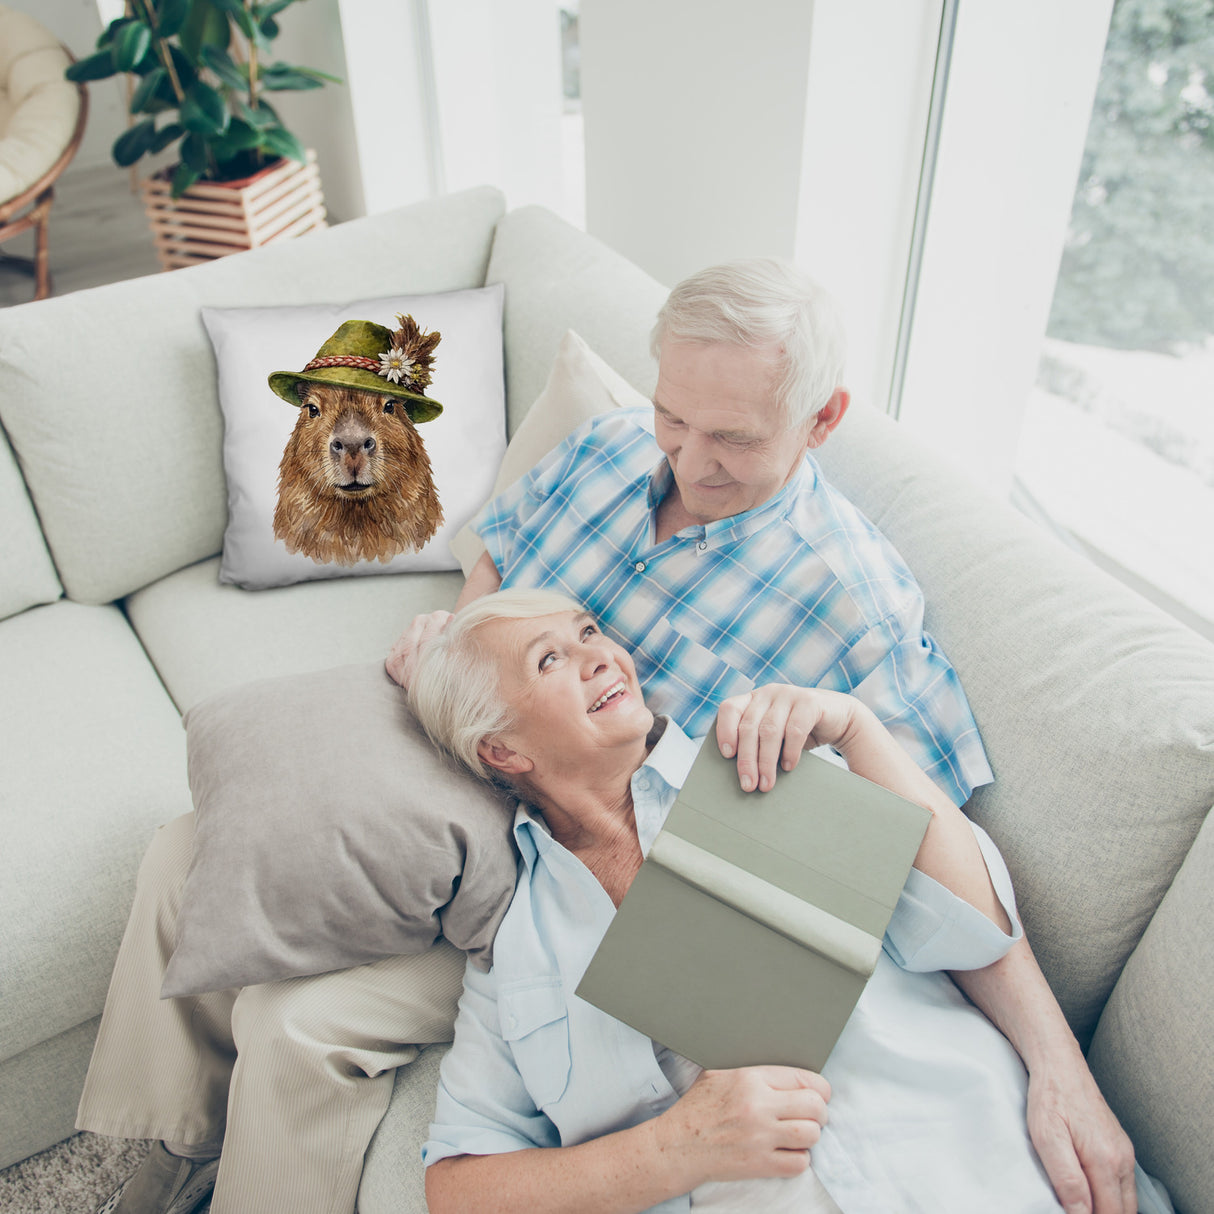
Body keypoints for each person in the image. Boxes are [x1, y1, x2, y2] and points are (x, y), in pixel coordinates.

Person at [388, 259, 1136, 1213]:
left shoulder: (832, 656)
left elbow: (943, 884)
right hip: (492, 836)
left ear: (822, 420)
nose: (689, 462)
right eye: (674, 418)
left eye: (732, 438)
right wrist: (462, 658)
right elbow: (500, 550)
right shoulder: (608, 450)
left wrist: (1058, 1067)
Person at [407, 588, 1160, 1214]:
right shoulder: (517, 952)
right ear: (502, 750)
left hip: (985, 1167)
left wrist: (859, 731)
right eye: (550, 659)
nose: (601, 655)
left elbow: (972, 929)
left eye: (589, 632)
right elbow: (458, 1187)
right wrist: (674, 1149)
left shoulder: (761, 761)